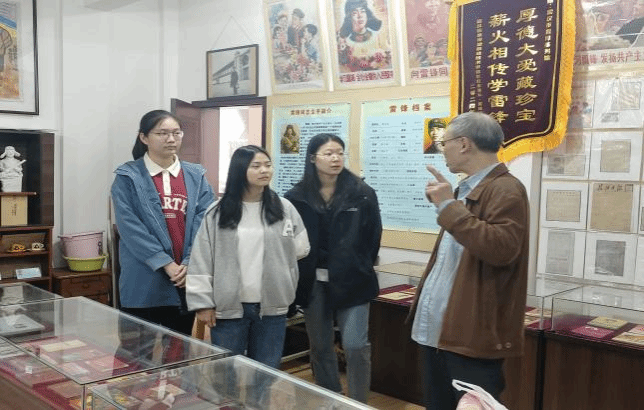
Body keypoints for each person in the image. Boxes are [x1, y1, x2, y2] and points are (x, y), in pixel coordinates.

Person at [408, 112, 529, 410]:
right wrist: (448, 203)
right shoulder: (467, 187)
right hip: (443, 332)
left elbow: (501, 249)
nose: (442, 150)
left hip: (471, 336)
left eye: (445, 143)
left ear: (464, 144)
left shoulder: (506, 188)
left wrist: (448, 206)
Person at [186, 145, 310, 370]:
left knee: (266, 372)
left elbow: (302, 248)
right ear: (239, 170)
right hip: (229, 307)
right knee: (225, 372)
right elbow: (201, 260)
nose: (264, 170)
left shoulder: (284, 208)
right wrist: (202, 303)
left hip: (272, 307)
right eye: (256, 166)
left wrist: (281, 270)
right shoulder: (217, 212)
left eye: (268, 165)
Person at [285, 133, 382, 403]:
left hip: (353, 280)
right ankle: (330, 398)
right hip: (313, 282)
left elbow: (373, 237)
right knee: (320, 345)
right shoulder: (296, 196)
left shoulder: (362, 193)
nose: (336, 158)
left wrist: (358, 263)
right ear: (313, 158)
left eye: (339, 152)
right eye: (328, 153)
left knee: (355, 344)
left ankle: (358, 402)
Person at [111, 109, 215, 337]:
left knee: (179, 347)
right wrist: (165, 263)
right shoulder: (128, 177)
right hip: (143, 277)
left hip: (183, 278)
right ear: (144, 137)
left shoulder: (196, 176)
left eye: (176, 133)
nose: (171, 139)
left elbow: (205, 222)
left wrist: (189, 261)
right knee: (136, 349)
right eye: (162, 133)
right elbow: (130, 228)